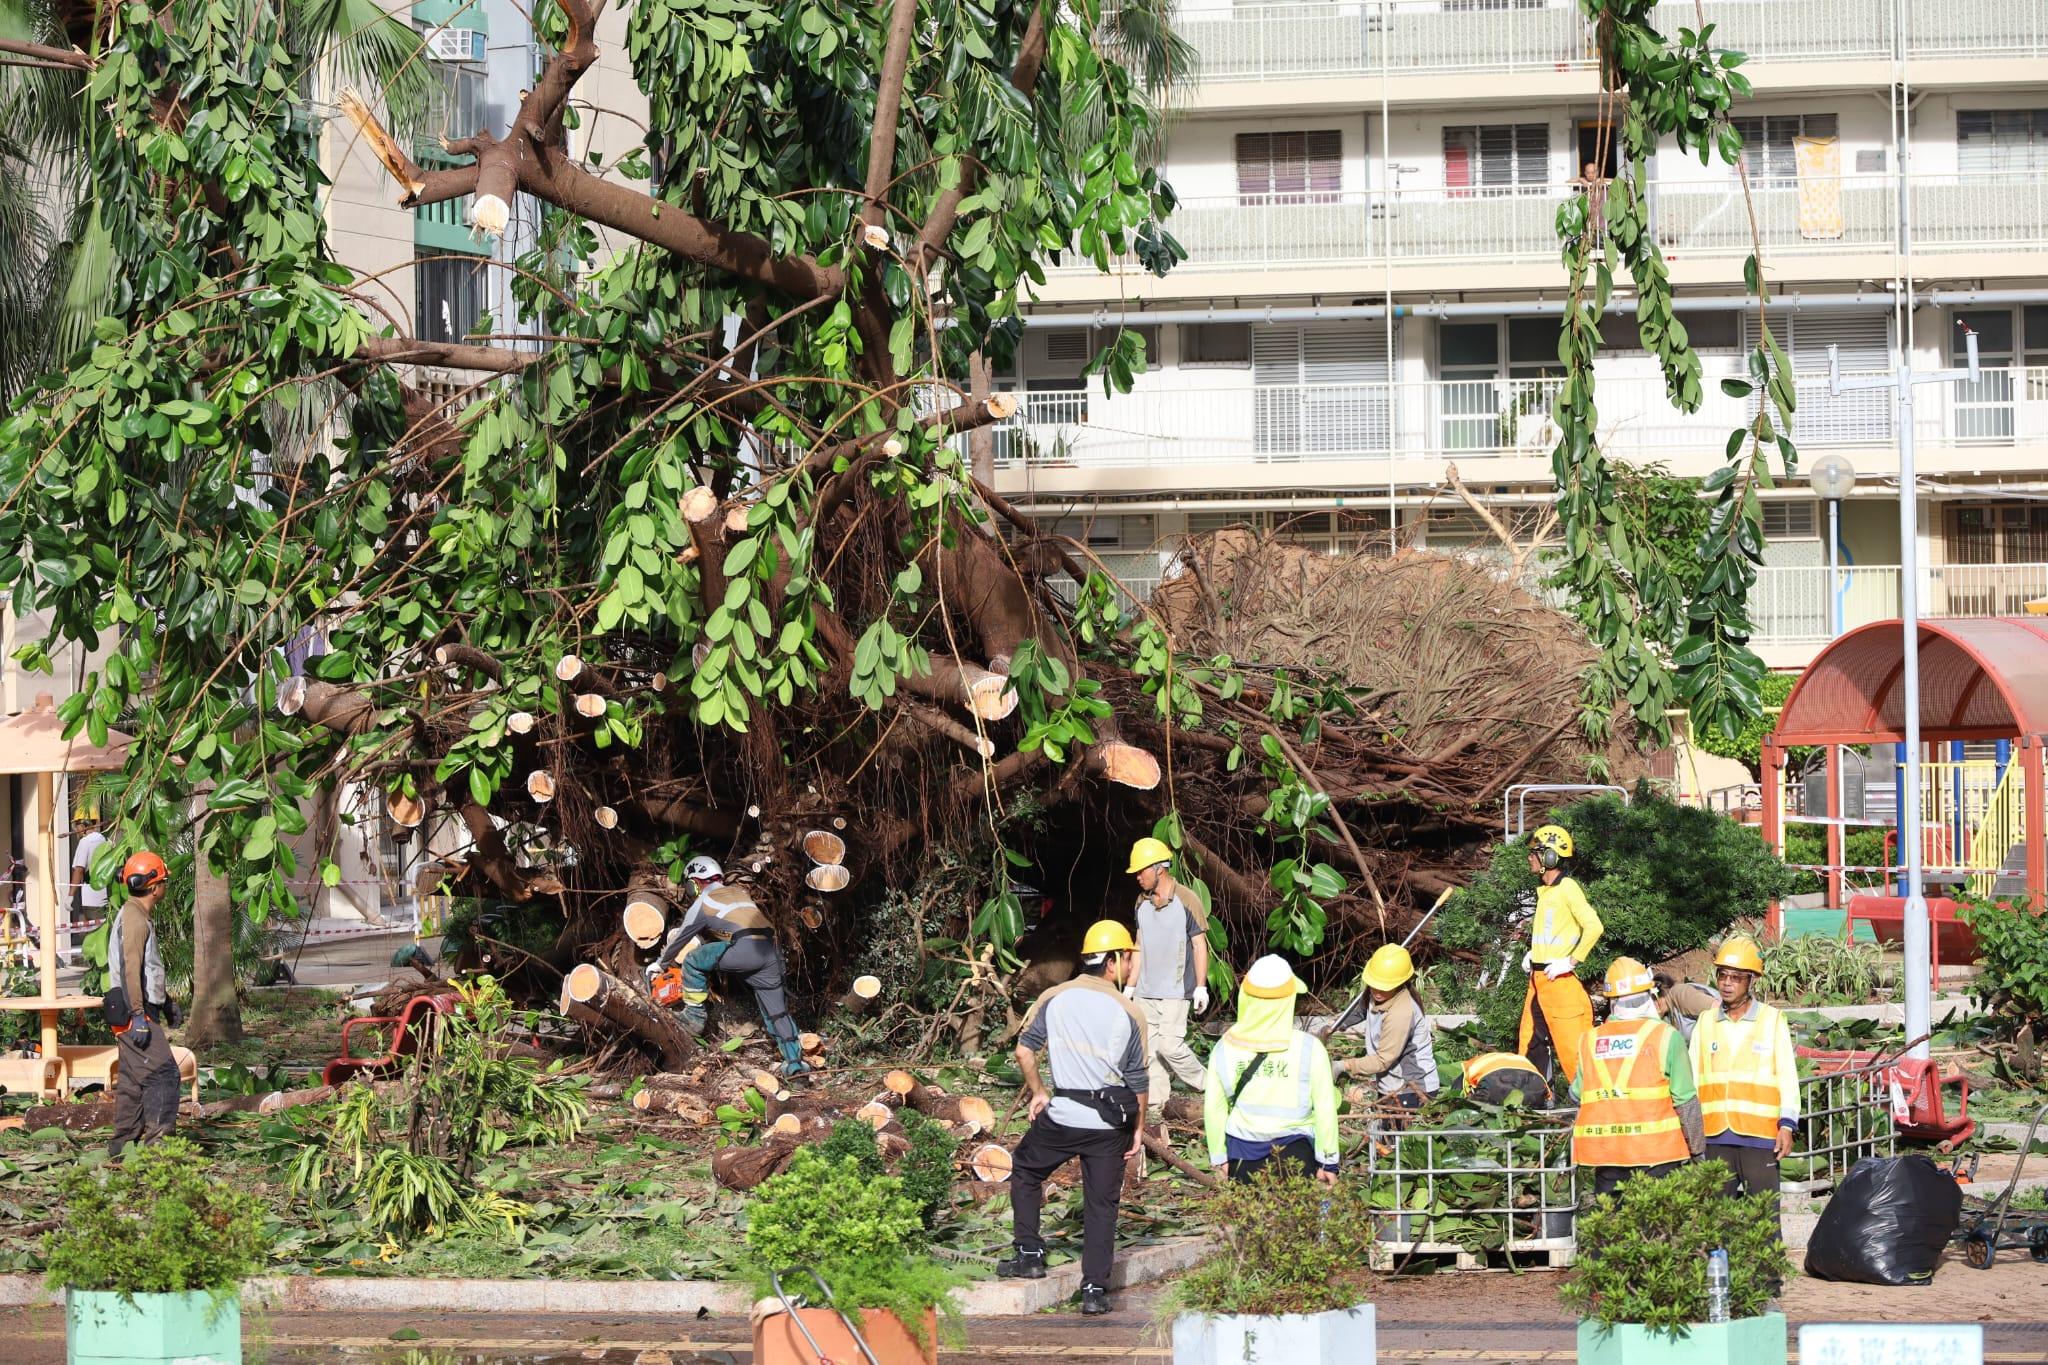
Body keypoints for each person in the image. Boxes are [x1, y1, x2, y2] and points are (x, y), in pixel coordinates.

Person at [999, 920, 1149, 1317]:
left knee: (1026, 1169)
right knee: (1102, 1205)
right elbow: (1138, 1081)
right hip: (1109, 1126)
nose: (1131, 964)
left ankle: (1029, 1255)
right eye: (1128, 957)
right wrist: (1138, 1129)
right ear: (1112, 962)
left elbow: (1024, 1051)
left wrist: (1039, 1092)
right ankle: (1094, 1290)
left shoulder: (1055, 997)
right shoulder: (1130, 1012)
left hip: (1063, 1117)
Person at [645, 856, 810, 1077]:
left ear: (694, 883)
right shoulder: (739, 893)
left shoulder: (704, 901)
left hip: (746, 949)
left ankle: (694, 1016)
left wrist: (660, 964)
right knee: (777, 1013)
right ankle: (795, 1065)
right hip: (772, 951)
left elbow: (681, 937)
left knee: (693, 960)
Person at [1689, 936, 1799, 1238]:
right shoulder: (1705, 1022)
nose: (1727, 983)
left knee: (1763, 1220)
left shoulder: (1772, 1020)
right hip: (1714, 1137)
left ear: (1751, 980)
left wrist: (1787, 1125)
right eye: (1723, 975)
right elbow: (1693, 1079)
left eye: (1736, 977)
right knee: (1714, 1221)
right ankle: (1718, 1270)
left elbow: (1787, 1077)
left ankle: (1767, 1270)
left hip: (1760, 1138)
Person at [1571, 957, 1702, 1199]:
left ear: (1611, 1000)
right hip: (1658, 1156)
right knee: (1656, 1220)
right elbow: (1685, 1101)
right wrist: (1697, 1151)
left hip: (1607, 1156)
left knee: (1611, 1220)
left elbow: (1576, 1095)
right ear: (1649, 995)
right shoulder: (1666, 1036)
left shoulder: (1589, 1040)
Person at [1204, 954, 1341, 1182]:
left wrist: (1219, 1157)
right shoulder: (1310, 1048)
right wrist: (1328, 1162)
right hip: (1297, 1151)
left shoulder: (1224, 1047)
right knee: (1294, 1207)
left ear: (1245, 996)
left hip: (1241, 1152)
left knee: (1247, 1207)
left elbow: (1214, 1108)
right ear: (1289, 999)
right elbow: (1325, 1108)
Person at [1122, 837, 1208, 1115]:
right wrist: (1130, 986)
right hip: (1146, 990)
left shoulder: (1187, 899)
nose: (1137, 877)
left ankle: (1209, 1085)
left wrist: (1201, 987)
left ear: (1159, 868)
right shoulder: (1141, 902)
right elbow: (1139, 944)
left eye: (1141, 871)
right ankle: (1157, 1106)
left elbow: (1199, 944)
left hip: (1176, 990)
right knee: (1150, 1052)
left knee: (1171, 1046)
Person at [107, 851, 180, 1156]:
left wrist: (165, 1002)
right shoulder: (135, 919)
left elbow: (147, 969)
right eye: (163, 881)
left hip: (136, 1007)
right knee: (164, 1075)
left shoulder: (136, 914)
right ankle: (158, 1153)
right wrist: (138, 1015)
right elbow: (130, 969)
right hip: (132, 1011)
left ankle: (121, 1149)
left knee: (133, 1082)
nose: (165, 886)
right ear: (153, 887)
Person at [1516, 824, 1601, 1087]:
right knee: (1530, 1044)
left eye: (1535, 853)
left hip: (1559, 983)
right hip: (1539, 980)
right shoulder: (1547, 892)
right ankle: (1538, 1100)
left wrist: (1571, 961)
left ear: (1550, 857)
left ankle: (1591, 1102)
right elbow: (1552, 933)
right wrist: (1535, 953)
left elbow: (1594, 927)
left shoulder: (1567, 888)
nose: (1530, 858)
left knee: (1573, 1052)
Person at [1332, 944, 1440, 1112]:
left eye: (1384, 986)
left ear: (1399, 983)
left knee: (1395, 1129)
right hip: (1391, 1083)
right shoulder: (1377, 992)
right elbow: (1360, 1010)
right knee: (1384, 1128)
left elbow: (1382, 1060)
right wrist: (1334, 1025)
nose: (1377, 991)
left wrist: (1343, 1065)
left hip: (1412, 1089)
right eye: (1374, 984)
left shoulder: (1401, 1012)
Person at [68, 814, 107, 966]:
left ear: (83, 826)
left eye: (77, 826)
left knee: (92, 934)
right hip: (106, 895)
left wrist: (70, 895)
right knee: (103, 933)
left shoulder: (85, 842)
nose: (76, 830)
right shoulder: (105, 840)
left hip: (91, 897)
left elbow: (79, 870)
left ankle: (95, 967)